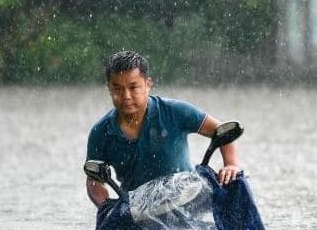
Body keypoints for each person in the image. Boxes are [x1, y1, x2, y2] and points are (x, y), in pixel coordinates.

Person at [85, 50, 241, 207]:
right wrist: (105, 205)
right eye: (117, 88)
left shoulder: (176, 111)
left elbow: (222, 131)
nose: (126, 96)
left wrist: (231, 164)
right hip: (137, 212)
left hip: (185, 201)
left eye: (133, 87)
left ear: (148, 84)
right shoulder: (100, 132)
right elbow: (94, 180)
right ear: (109, 88)